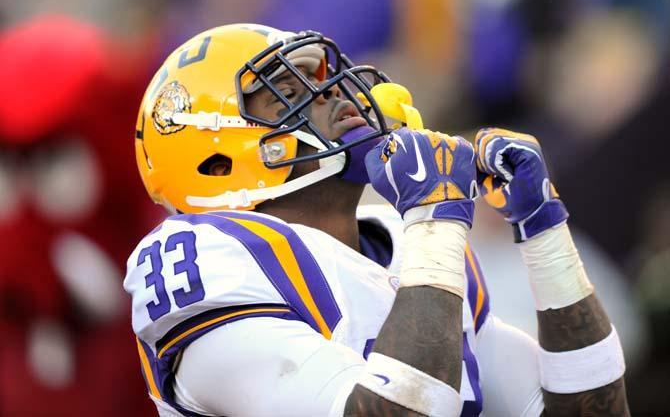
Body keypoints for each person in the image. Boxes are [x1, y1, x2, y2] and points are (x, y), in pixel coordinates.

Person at [124, 24, 629, 416]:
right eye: (288, 91)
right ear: (216, 162)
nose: (332, 96)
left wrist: (543, 232)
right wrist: (435, 216)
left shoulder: (404, 246)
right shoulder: (214, 258)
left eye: (324, 81)